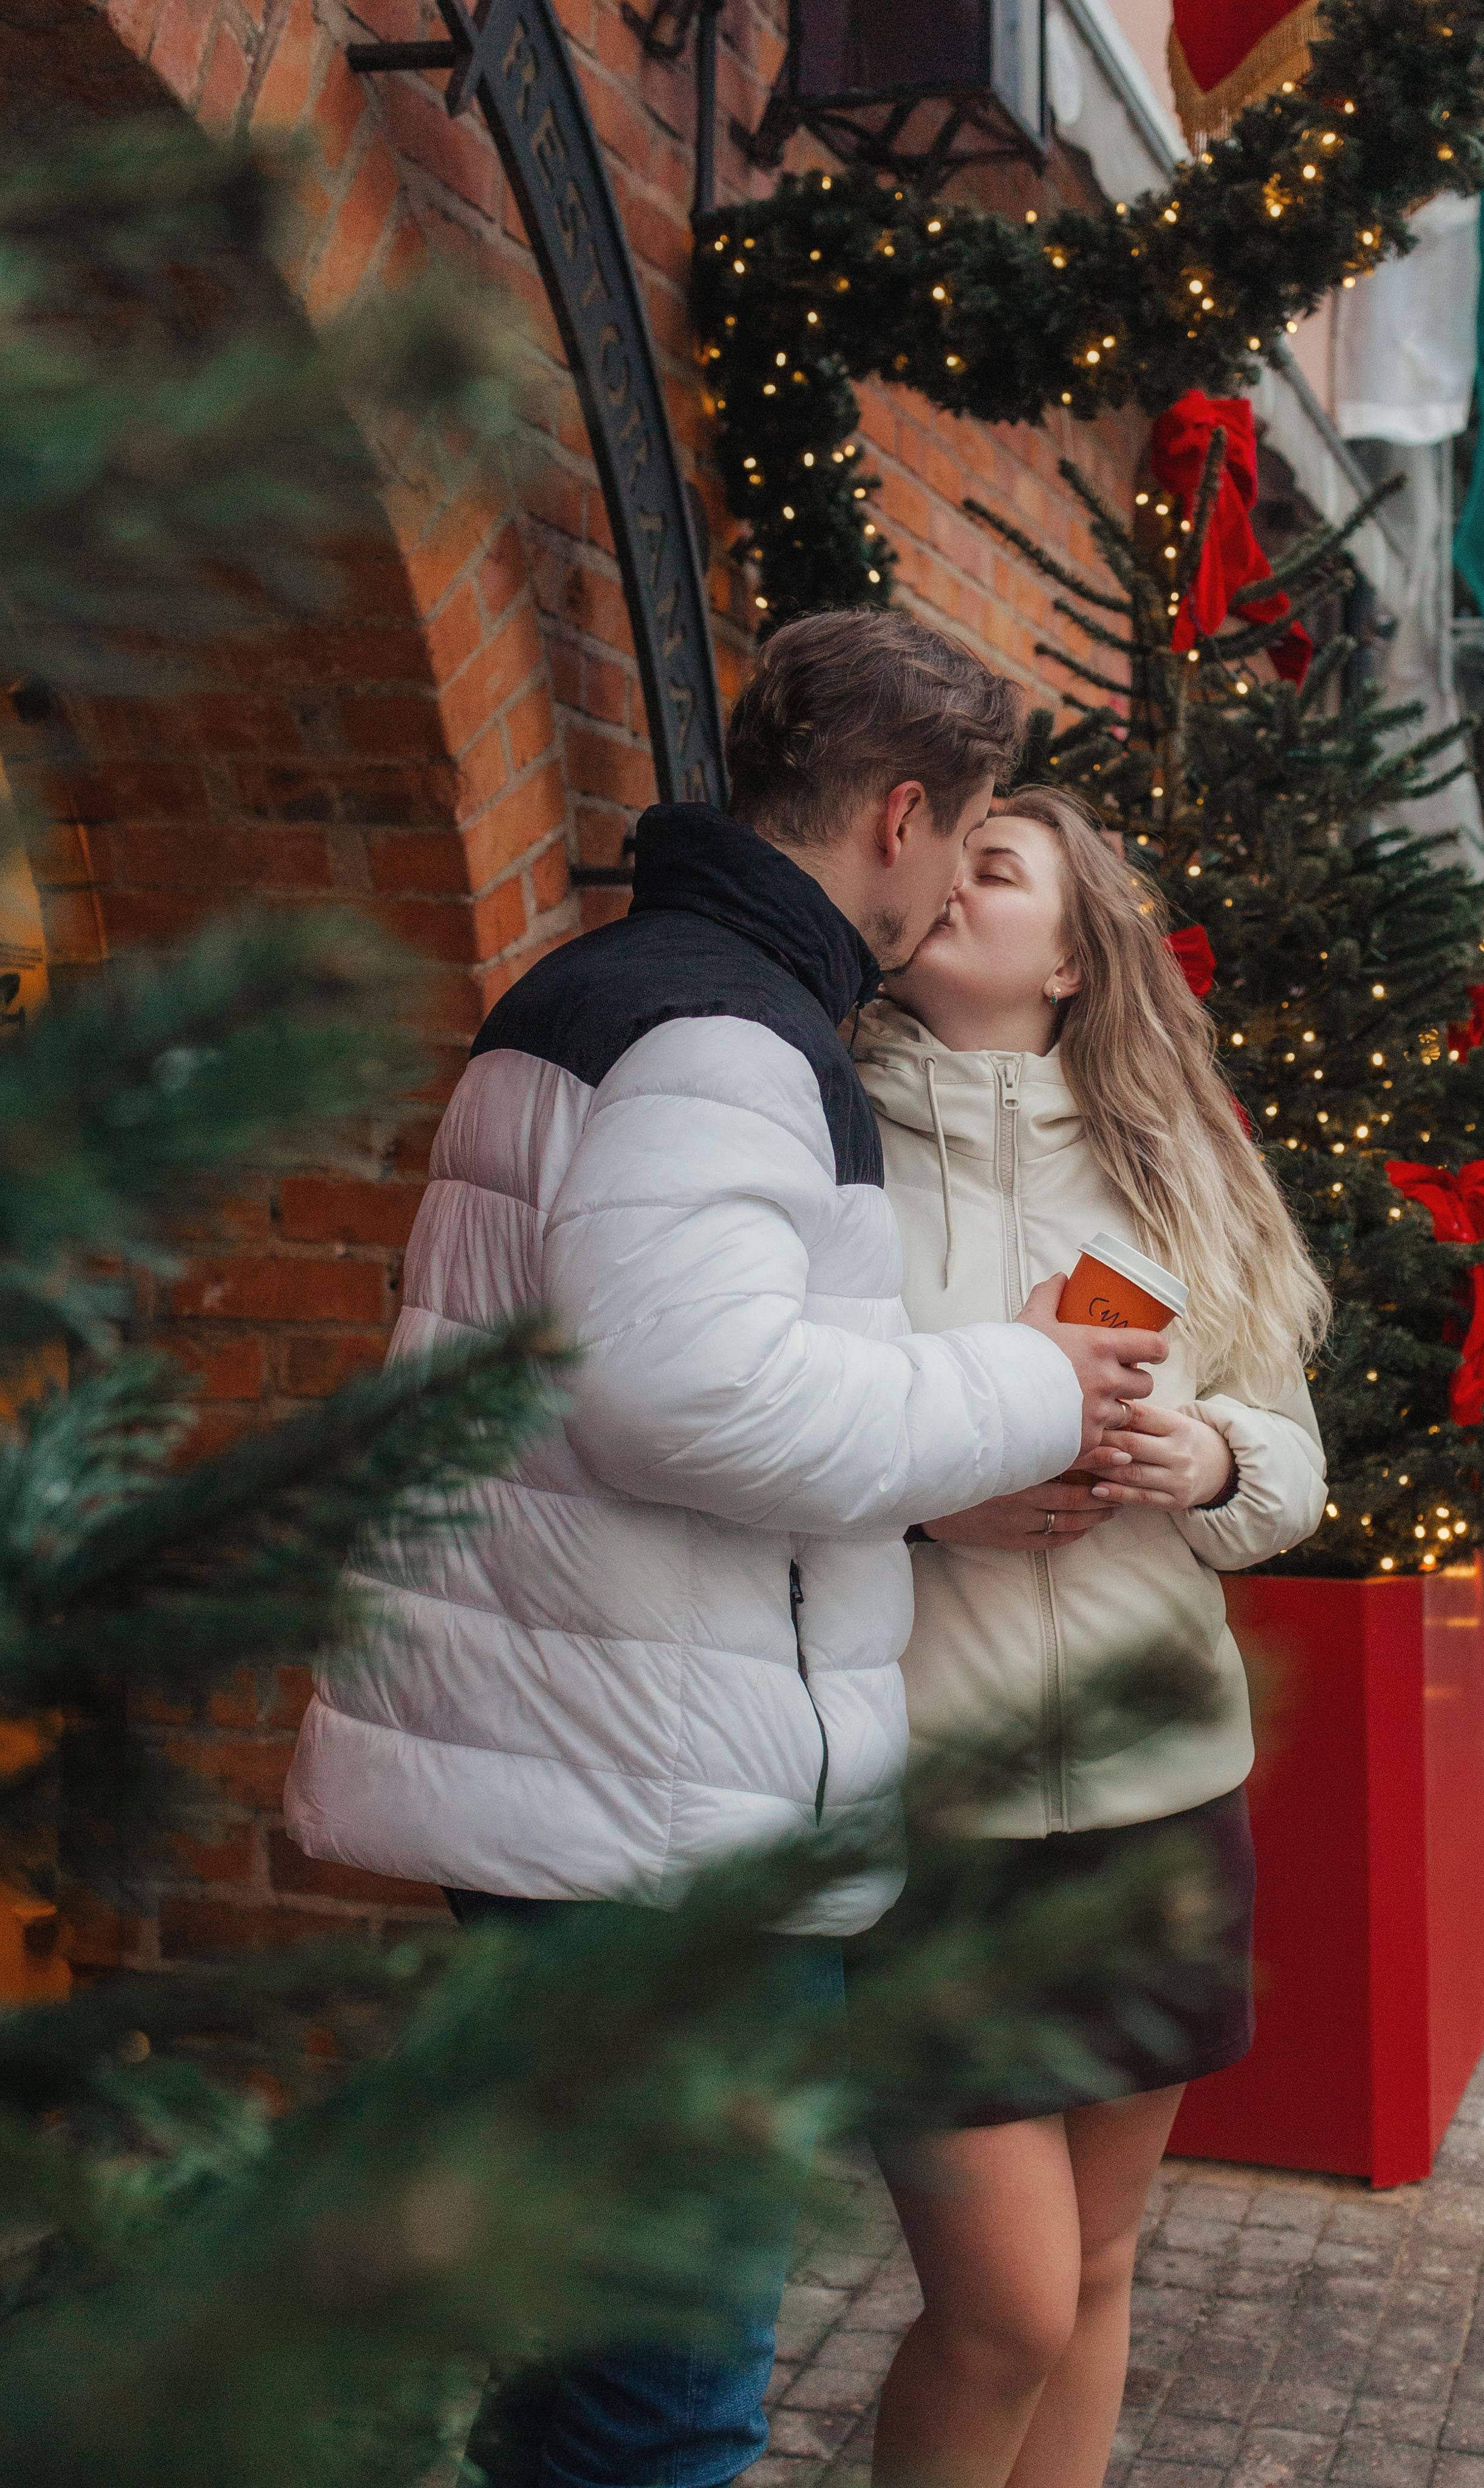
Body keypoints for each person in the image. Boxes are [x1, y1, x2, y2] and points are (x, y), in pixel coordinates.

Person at [284, 617, 1168, 2488]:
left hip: (597, 1760)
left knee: (589, 2362)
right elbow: (690, 1403)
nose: (950, 879)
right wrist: (1027, 1384)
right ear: (906, 815)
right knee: (662, 2404)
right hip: (648, 1813)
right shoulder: (726, 1034)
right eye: (974, 831)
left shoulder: (630, 987)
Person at [851, 785, 1330, 2488]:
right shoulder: (826, 1139)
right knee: (1005, 2309)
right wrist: (926, 1497)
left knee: (1104, 2268)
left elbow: (1290, 1468)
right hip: (931, 1808)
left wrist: (1206, 1455)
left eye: (997, 867)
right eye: (945, 855)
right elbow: (746, 1434)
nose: (947, 882)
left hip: (1160, 1795)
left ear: (1071, 958)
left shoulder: (1171, 1155)